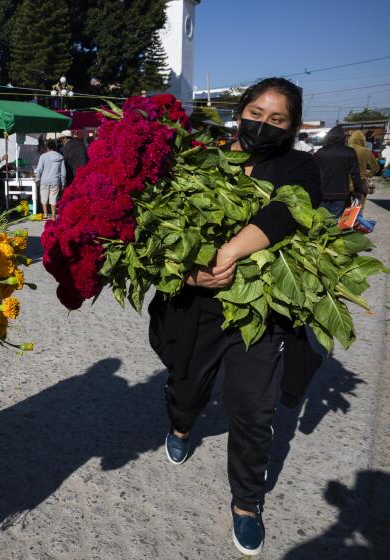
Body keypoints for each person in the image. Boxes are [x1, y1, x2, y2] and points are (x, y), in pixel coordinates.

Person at [149, 78, 323, 557]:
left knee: (252, 409)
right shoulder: (200, 157)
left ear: (291, 127)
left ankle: (247, 503)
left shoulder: (298, 166)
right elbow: (155, 232)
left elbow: (289, 210)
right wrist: (190, 276)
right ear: (241, 110)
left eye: (277, 119)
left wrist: (226, 254)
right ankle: (182, 426)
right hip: (195, 309)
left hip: (260, 312)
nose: (262, 125)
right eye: (256, 113)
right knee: (186, 389)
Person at [314, 126, 366, 216]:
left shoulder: (320, 152)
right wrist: (358, 191)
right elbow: (355, 174)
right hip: (341, 193)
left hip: (322, 193)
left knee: (320, 220)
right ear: (343, 138)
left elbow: (314, 174)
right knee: (335, 222)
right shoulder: (350, 152)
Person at [34, 139, 66, 220]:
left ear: (47, 147)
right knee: (53, 198)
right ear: (55, 147)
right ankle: (53, 216)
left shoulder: (43, 156)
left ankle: (45, 214)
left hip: (44, 180)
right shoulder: (60, 157)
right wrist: (63, 183)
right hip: (55, 180)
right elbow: (63, 172)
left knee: (44, 197)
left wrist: (37, 179)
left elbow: (39, 170)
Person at [348, 130, 379, 199]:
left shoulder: (345, 149)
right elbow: (376, 167)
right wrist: (369, 174)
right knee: (359, 206)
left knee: (347, 207)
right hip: (361, 180)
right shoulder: (366, 150)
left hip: (346, 181)